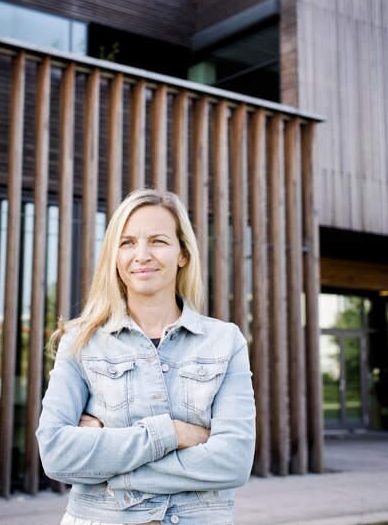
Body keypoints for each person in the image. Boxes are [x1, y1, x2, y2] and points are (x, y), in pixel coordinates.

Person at [36, 188, 256, 525]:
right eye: (127, 243)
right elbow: (56, 455)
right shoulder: (80, 341)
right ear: (114, 255)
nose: (141, 255)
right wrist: (175, 434)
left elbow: (233, 461)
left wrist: (106, 465)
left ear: (183, 253)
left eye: (158, 241)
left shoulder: (225, 342)